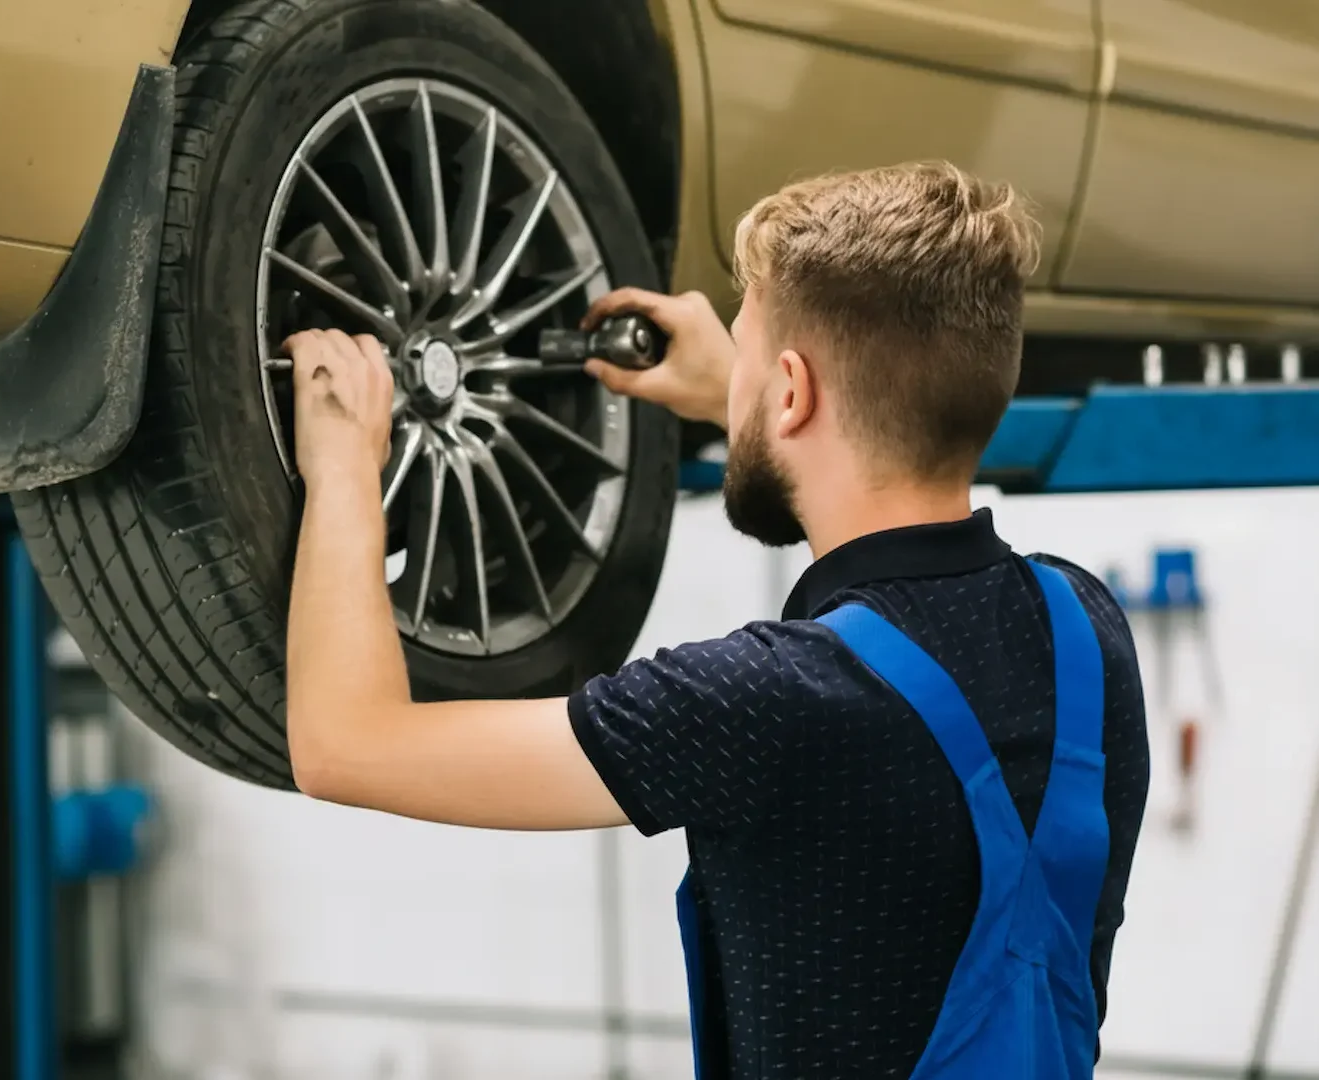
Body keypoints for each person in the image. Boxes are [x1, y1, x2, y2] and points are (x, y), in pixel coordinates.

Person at [279, 161, 1150, 1079]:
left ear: (791, 394)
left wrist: (343, 462)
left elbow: (344, 745)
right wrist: (755, 393)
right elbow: (878, 439)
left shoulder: (764, 703)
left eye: (747, 355)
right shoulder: (1086, 633)